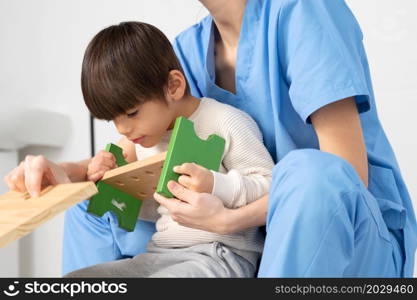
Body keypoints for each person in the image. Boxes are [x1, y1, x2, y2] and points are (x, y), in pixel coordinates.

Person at [5, 0, 417, 277]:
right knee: (92, 203)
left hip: (341, 234)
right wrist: (64, 173)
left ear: (173, 85)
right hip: (209, 240)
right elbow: (126, 161)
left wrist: (227, 217)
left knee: (309, 172)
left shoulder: (303, 12)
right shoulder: (186, 50)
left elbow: (344, 172)